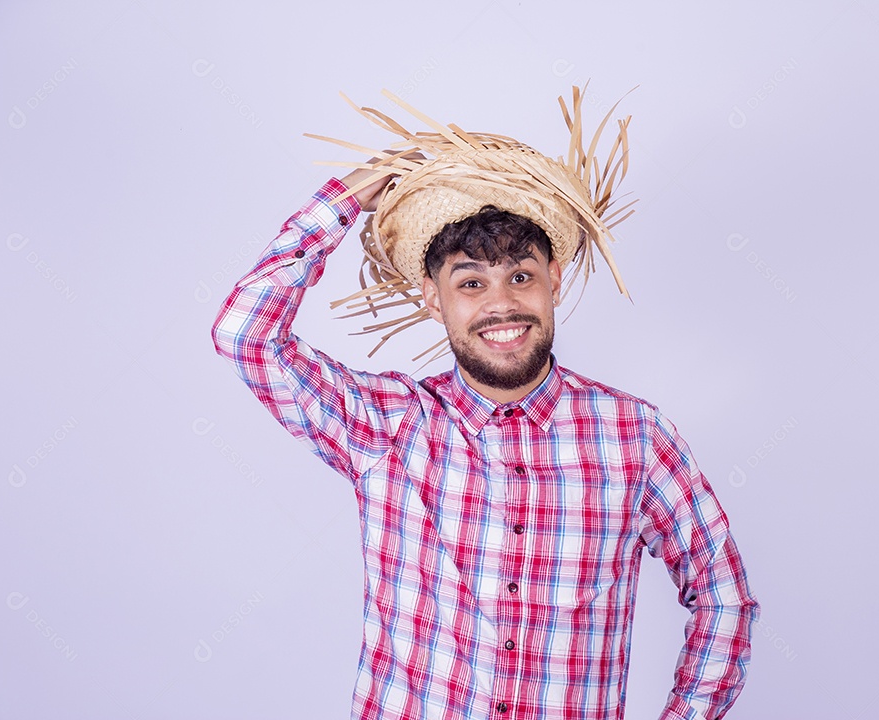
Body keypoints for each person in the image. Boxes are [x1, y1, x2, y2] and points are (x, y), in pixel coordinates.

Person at [212, 88, 758, 720]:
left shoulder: (633, 436)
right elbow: (243, 334)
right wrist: (347, 197)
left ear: (553, 279)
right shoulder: (389, 426)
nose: (502, 306)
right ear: (431, 298)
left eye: (520, 276)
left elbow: (724, 595)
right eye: (471, 282)